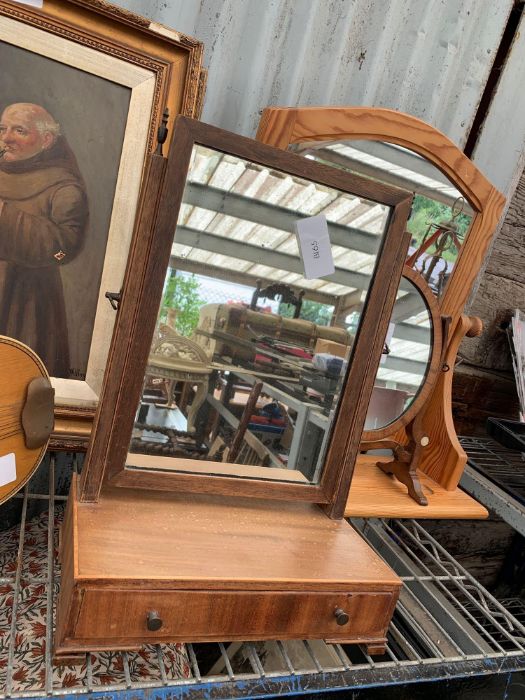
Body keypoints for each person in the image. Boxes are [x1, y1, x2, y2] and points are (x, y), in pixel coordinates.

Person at [0, 103, 89, 376]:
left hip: (26, 303)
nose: (6, 138)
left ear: (47, 140)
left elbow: (64, 248)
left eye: (19, 130)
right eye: (3, 129)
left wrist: (3, 214)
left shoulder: (64, 185)